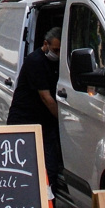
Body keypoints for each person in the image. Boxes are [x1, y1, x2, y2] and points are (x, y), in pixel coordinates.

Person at [6, 27, 64, 196]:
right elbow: (46, 97)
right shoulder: (35, 61)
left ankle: (47, 207)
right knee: (28, 168)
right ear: (45, 44)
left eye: (61, 50)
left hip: (43, 122)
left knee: (50, 169)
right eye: (55, 50)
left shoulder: (55, 63)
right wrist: (64, 122)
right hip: (25, 121)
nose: (58, 54)